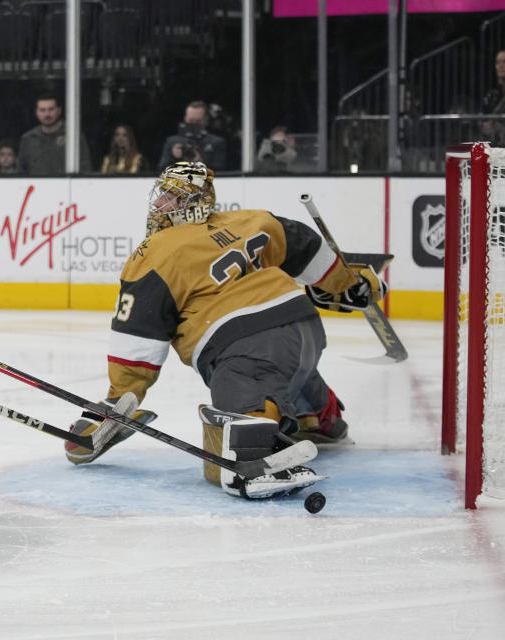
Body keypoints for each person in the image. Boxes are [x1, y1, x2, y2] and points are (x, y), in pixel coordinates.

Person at [64, 161, 388, 499]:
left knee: (243, 399)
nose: (159, 204)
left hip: (245, 343)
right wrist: (348, 285)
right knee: (283, 368)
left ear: (189, 203)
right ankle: (318, 416)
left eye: (169, 197)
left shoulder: (155, 253)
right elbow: (305, 244)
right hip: (304, 329)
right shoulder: (249, 220)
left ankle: (256, 448)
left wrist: (117, 399)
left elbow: (136, 336)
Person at [18, 92, 91, 175]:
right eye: (42, 110)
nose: (47, 114)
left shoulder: (73, 135)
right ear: (36, 112)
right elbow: (21, 171)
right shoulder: (28, 138)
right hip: (37, 187)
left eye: (51, 109)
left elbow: (85, 167)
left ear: (59, 110)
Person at [157, 101, 226, 170]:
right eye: (191, 120)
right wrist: (174, 157)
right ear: (185, 118)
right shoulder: (172, 142)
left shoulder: (217, 142)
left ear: (206, 119)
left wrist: (201, 163)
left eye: (198, 121)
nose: (194, 124)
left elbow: (223, 173)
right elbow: (160, 170)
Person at [480, 50, 505, 146]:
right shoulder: (491, 95)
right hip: (494, 143)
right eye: (498, 63)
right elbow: (482, 120)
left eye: (504, 62)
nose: (501, 66)